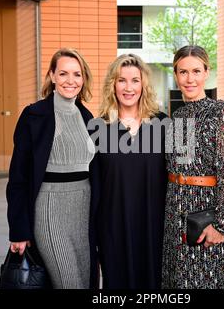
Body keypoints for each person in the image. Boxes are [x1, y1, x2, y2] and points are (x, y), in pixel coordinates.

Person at [6, 48, 95, 289]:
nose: (71, 80)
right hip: (49, 209)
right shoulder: (33, 115)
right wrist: (18, 229)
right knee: (69, 283)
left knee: (86, 282)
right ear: (52, 76)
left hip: (84, 210)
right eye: (63, 73)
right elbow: (18, 177)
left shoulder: (88, 117)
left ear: (83, 78)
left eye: (77, 74)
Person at [162, 45, 224, 289]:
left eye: (196, 71)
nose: (189, 79)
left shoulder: (221, 112)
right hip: (174, 214)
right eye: (183, 72)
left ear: (207, 72)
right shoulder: (175, 118)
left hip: (205, 217)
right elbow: (176, 166)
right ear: (176, 75)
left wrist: (222, 225)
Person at [89, 54, 168, 288]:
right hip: (113, 229)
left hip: (155, 227)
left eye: (135, 80)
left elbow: (182, 180)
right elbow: (92, 185)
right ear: (112, 84)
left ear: (144, 85)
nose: (128, 87)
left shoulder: (165, 124)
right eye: (121, 80)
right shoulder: (97, 128)